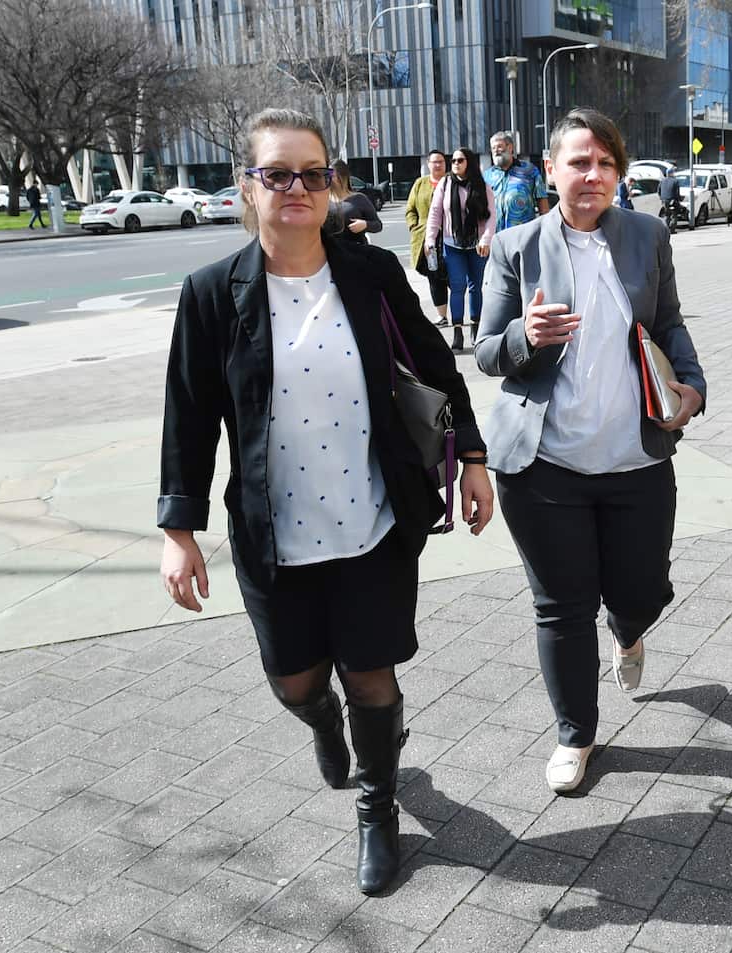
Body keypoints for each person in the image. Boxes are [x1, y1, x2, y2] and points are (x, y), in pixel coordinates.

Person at [157, 108, 494, 896]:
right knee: (298, 683)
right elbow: (188, 415)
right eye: (277, 173)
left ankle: (378, 809)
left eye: (313, 174)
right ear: (248, 186)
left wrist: (473, 458)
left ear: (332, 183)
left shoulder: (369, 275)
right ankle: (322, 721)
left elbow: (435, 367)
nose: (297, 188)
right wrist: (178, 529)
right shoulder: (212, 294)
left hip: (373, 522)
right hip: (274, 536)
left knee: (372, 675)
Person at [476, 107, 706, 794]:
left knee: (643, 591)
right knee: (561, 606)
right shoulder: (515, 247)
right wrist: (525, 336)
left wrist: (692, 384)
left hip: (637, 460)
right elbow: (487, 352)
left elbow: (668, 322)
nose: (594, 175)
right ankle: (575, 734)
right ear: (550, 169)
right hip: (544, 467)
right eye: (579, 162)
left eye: (607, 163)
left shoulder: (647, 235)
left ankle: (628, 630)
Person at [425, 147, 495, 353]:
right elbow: (435, 213)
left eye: (460, 160)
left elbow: (491, 216)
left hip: (477, 245)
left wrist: (486, 239)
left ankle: (476, 327)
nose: (455, 163)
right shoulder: (445, 184)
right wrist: (430, 239)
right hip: (452, 243)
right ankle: (457, 331)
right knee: (457, 287)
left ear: (469, 162)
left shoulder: (482, 185)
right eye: (453, 160)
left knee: (475, 287)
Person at [405, 150, 451, 327]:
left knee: (454, 276)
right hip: (427, 240)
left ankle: (462, 313)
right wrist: (414, 226)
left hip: (449, 237)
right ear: (428, 164)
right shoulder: (420, 183)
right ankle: (442, 315)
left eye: (441, 161)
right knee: (434, 276)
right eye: (434, 162)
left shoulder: (452, 182)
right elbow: (410, 210)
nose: (437, 165)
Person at [485, 131, 549, 232]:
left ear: (510, 147)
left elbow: (542, 202)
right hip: (496, 235)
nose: (496, 151)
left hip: (524, 234)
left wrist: (546, 230)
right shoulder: (487, 175)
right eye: (493, 148)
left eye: (499, 146)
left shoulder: (530, 171)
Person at [327, 159, 382, 245]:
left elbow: (378, 225)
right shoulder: (323, 200)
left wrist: (365, 225)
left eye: (332, 176)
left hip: (356, 249)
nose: (329, 180)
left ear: (343, 177)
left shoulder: (359, 199)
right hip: (331, 250)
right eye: (327, 176)